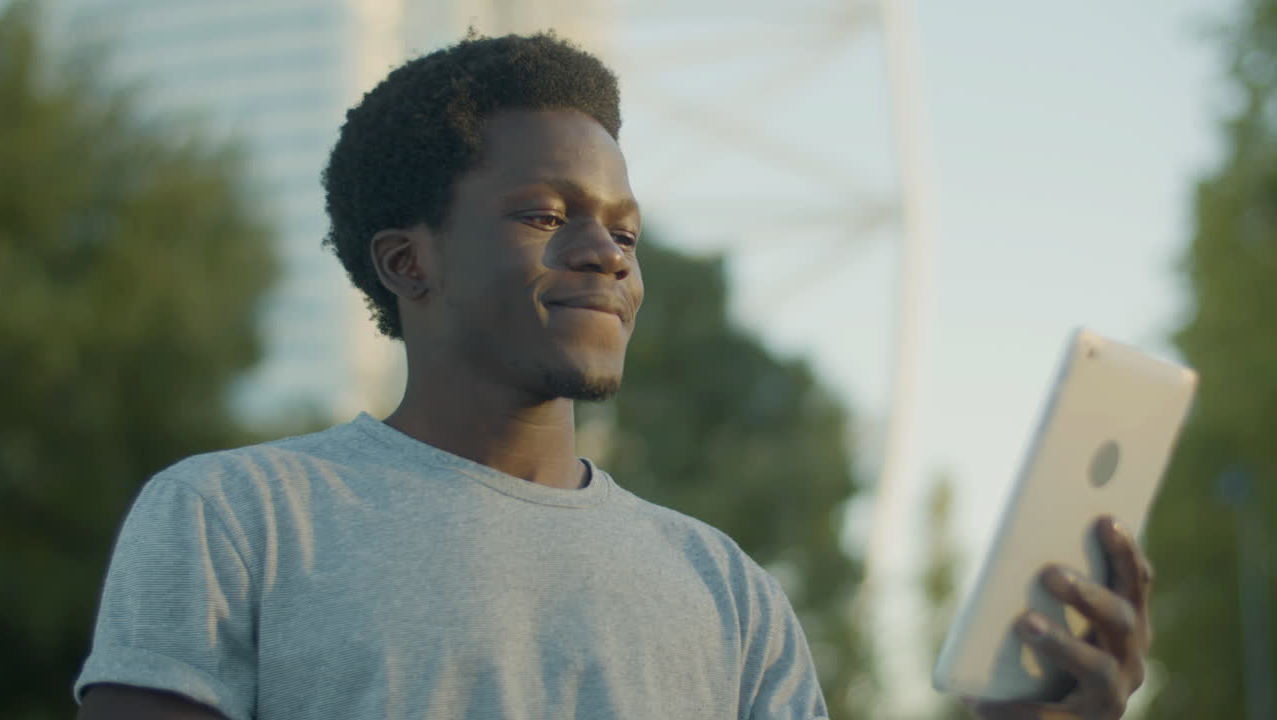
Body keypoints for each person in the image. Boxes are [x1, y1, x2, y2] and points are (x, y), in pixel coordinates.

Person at [75, 33, 1154, 720]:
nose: (607, 254)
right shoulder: (233, 520)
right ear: (409, 261)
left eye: (624, 229)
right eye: (546, 217)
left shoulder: (727, 591)